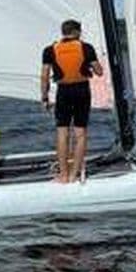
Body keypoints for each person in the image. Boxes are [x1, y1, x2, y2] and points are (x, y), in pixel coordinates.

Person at [40, 19, 103, 183]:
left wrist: (45, 97)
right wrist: (91, 65)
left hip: (63, 92)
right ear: (76, 32)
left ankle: (63, 175)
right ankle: (75, 174)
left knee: (62, 133)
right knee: (80, 134)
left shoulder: (50, 49)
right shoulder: (86, 47)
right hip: (82, 90)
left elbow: (44, 76)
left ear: (63, 32)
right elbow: (99, 72)